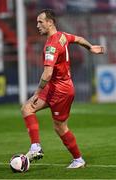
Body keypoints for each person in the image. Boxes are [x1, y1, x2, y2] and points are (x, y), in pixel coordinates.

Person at [21, 9, 104, 169]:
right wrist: (91, 47)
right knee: (26, 108)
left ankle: (78, 160)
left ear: (50, 22)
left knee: (60, 127)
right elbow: (78, 39)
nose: (37, 25)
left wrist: (37, 92)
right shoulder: (63, 36)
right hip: (55, 86)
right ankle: (35, 147)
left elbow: (47, 73)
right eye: (37, 22)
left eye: (40, 22)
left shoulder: (51, 46)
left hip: (61, 91)